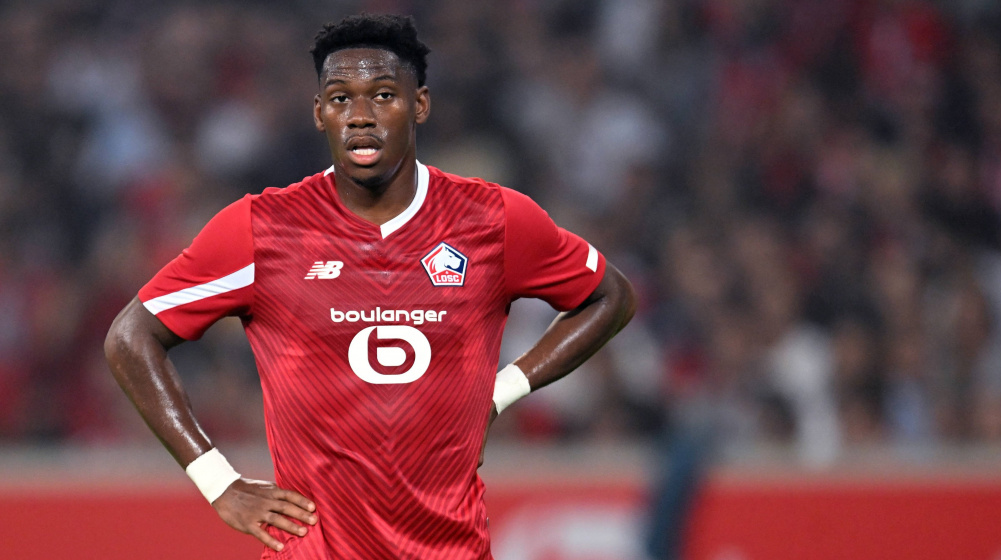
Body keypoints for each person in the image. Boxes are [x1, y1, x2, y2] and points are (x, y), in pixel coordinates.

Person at [104, 13, 635, 560]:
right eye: (340, 99)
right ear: (319, 113)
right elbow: (130, 337)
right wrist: (218, 481)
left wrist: (501, 393)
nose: (360, 116)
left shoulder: (493, 220)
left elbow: (611, 297)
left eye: (383, 95)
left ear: (419, 105)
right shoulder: (262, 229)